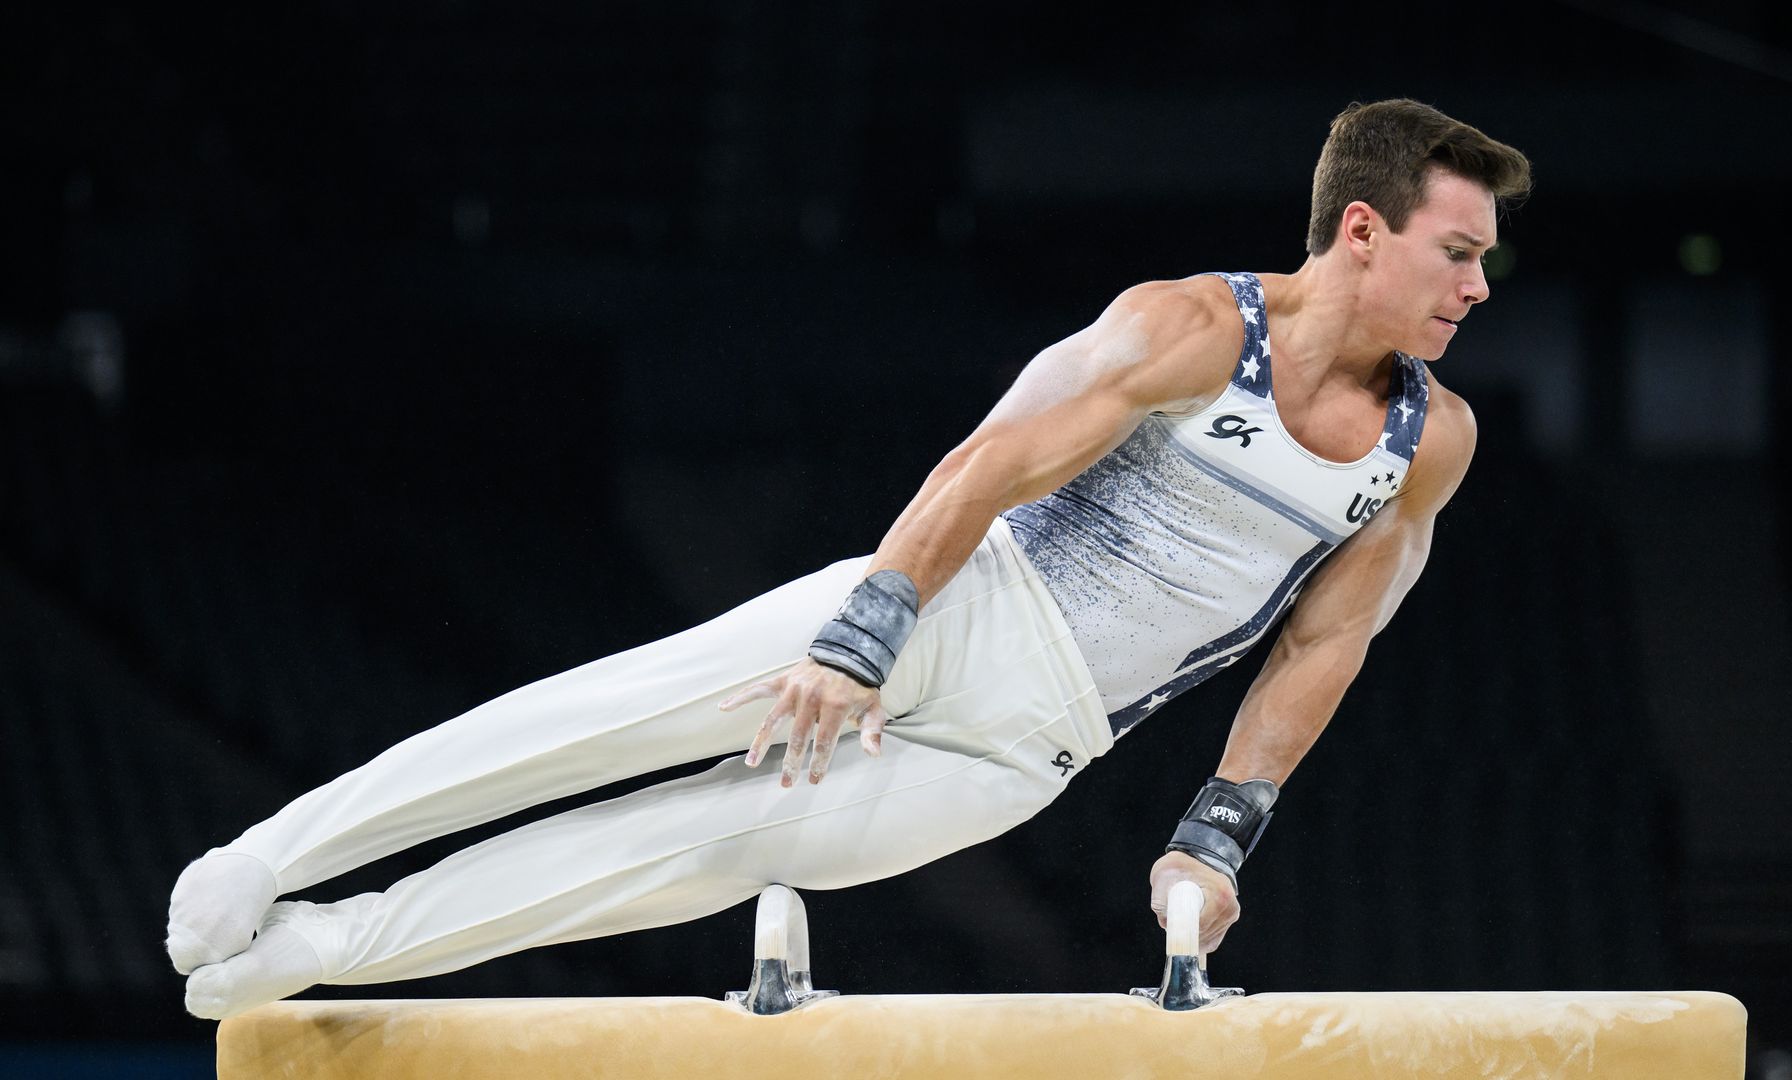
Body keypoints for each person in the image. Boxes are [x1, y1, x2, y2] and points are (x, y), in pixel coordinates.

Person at [166, 98, 1531, 1019]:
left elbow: (1326, 639)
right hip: (953, 609)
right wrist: (862, 638)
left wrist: (1220, 832)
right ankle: (271, 860)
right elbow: (987, 462)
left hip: (1030, 750)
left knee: (676, 857)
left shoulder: (1432, 441)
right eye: (1457, 252)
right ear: (1364, 227)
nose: (1477, 286)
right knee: (593, 727)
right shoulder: (1184, 326)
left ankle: (321, 954)